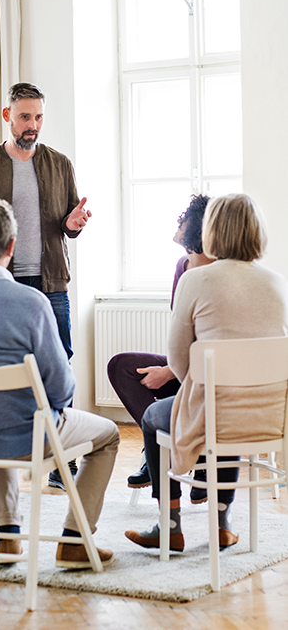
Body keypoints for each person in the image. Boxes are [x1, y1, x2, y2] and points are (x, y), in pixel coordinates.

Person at [0, 193, 120, 569]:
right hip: (27, 438)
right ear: (11, 245)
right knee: (107, 435)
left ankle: (9, 538)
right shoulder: (30, 302)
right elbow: (62, 388)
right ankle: (75, 540)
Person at [125, 194, 288, 552]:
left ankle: (169, 525)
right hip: (268, 419)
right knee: (227, 407)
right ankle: (222, 523)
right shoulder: (279, 284)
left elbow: (180, 365)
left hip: (215, 414)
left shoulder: (194, 280)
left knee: (156, 416)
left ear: (212, 230)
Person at [0, 81, 90, 489]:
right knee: (0, 369)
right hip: (1, 283)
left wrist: (72, 225)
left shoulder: (60, 164)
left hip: (51, 280)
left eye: (38, 117)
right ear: (7, 117)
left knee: (60, 360)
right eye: (24, 117)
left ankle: (58, 460)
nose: (32, 125)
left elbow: (69, 223)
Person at [108, 195, 212, 500]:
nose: (178, 223)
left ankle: (183, 454)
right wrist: (172, 368)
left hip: (212, 372)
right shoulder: (183, 266)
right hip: (187, 364)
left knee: (171, 378)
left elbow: (211, 343)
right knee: (121, 367)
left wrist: (170, 371)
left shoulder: (218, 274)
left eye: (184, 219)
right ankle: (158, 446)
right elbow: (182, 335)